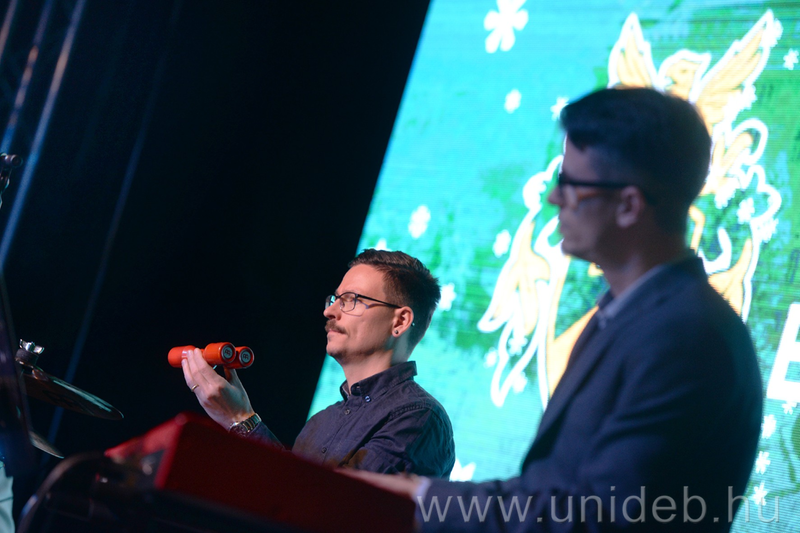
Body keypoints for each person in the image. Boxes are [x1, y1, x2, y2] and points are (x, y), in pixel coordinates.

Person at [348, 87, 763, 531]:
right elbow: (550, 487)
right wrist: (418, 493)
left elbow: (598, 516)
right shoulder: (630, 315)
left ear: (628, 205)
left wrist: (424, 499)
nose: (553, 199)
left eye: (570, 184)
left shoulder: (686, 335)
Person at [181, 249, 456, 478]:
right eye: (335, 299)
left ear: (400, 321)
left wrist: (241, 420)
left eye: (351, 300)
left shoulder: (417, 417)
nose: (329, 311)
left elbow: (334, 510)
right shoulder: (320, 422)